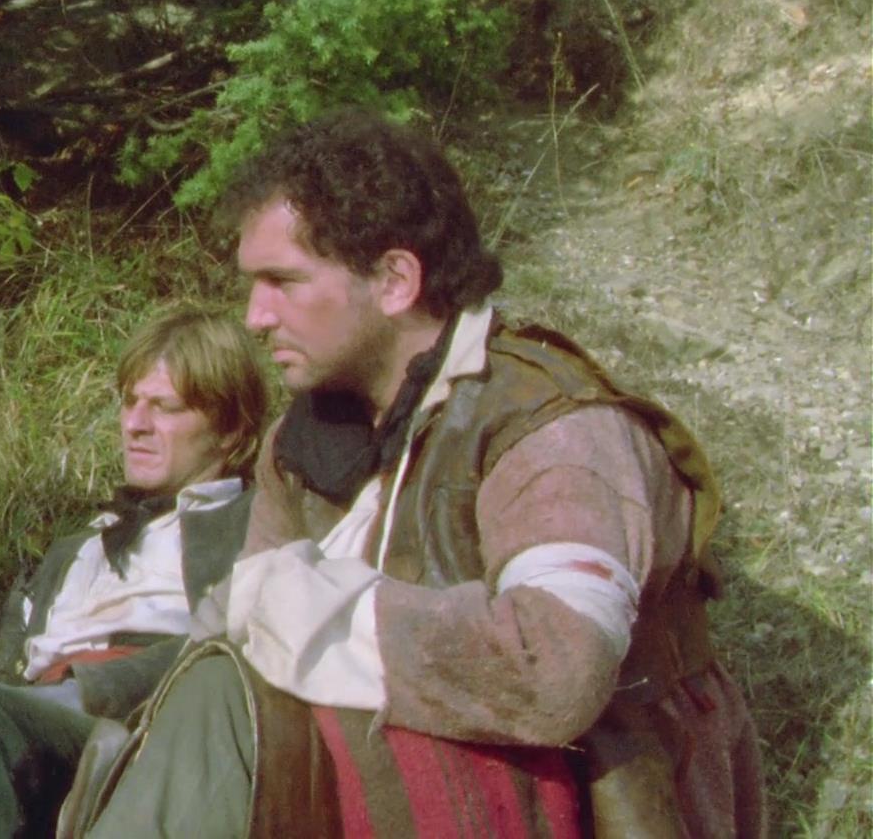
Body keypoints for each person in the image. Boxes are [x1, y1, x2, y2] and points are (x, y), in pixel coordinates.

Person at [77, 108, 763, 838]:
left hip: (575, 795)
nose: (254, 316)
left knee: (221, 694)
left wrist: (316, 610)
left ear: (396, 280)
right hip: (363, 774)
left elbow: (556, 668)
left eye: (282, 281)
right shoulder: (301, 446)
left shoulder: (549, 425)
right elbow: (246, 621)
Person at [0, 307, 269, 839]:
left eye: (164, 407)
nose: (134, 424)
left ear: (229, 429)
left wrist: (89, 688)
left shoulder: (253, 525)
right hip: (20, 716)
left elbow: (235, 644)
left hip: (138, 719)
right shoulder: (76, 547)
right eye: (129, 402)